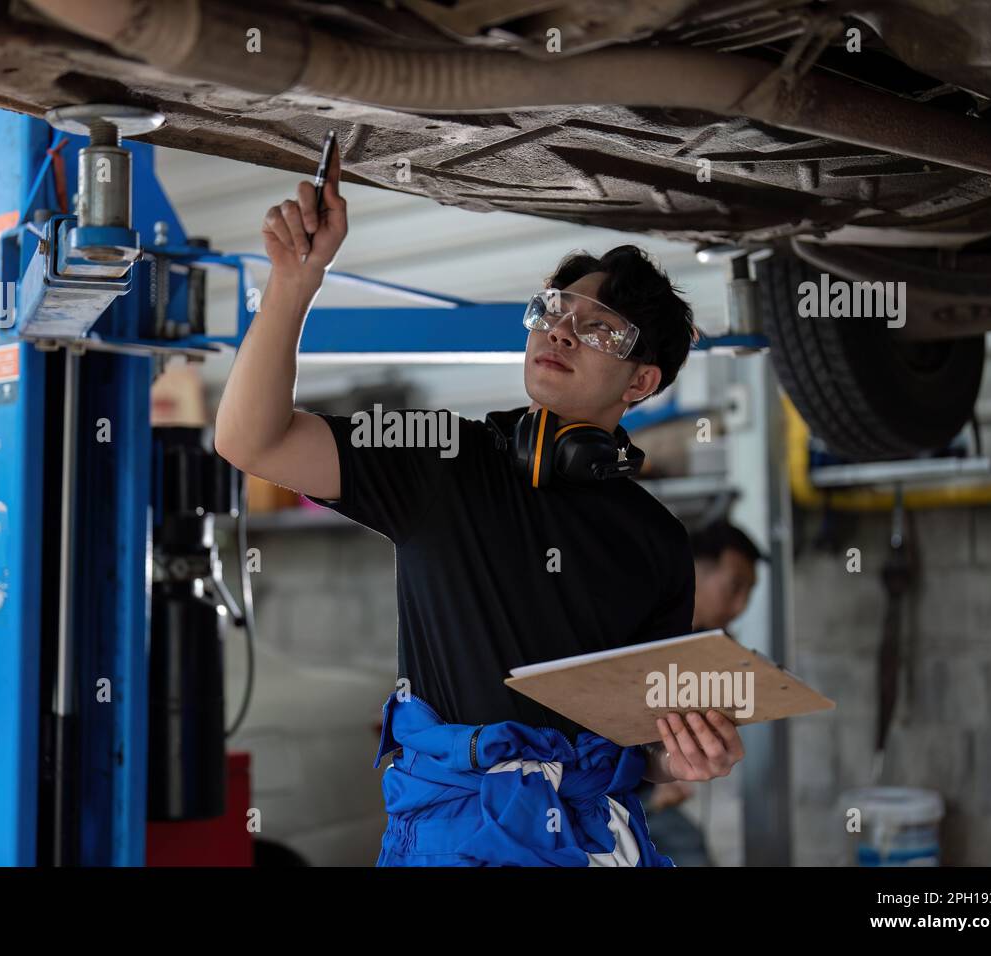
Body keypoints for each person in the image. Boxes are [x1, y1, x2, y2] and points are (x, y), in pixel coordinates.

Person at [214, 138, 745, 867]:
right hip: (453, 842)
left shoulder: (655, 540)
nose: (560, 329)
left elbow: (639, 739)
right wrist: (292, 283)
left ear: (641, 383)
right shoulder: (442, 456)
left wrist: (680, 760)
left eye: (597, 329)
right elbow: (253, 440)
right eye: (556, 310)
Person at [641, 518, 764, 864]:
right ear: (696, 571)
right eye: (734, 588)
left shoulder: (709, 647)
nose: (740, 607)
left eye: (749, 595)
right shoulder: (643, 626)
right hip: (600, 787)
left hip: (649, 788)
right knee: (688, 849)